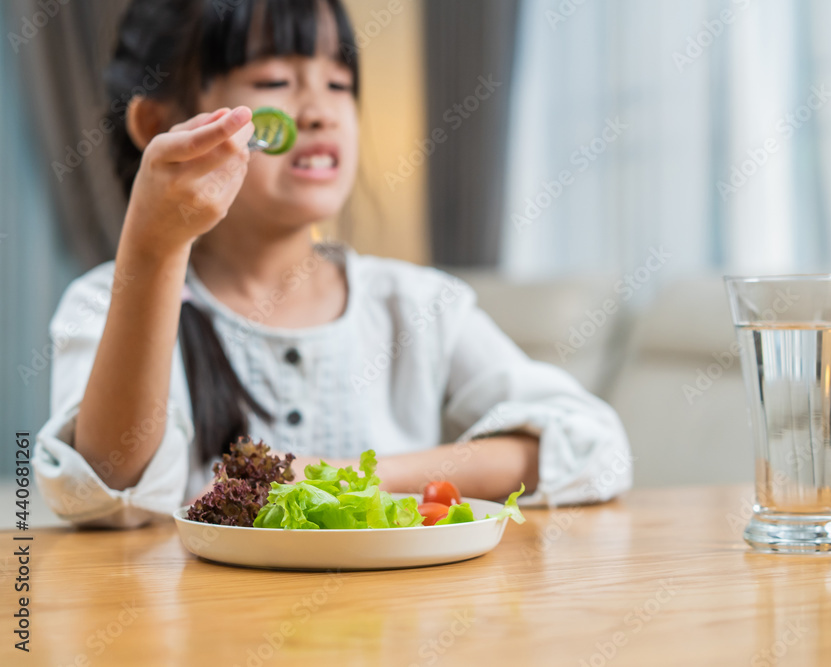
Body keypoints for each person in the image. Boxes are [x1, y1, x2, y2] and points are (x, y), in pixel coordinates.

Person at [32, 0, 632, 528]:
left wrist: (349, 476)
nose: (318, 110)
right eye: (273, 80)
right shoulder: (104, 304)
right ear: (161, 124)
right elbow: (108, 497)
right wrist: (153, 250)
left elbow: (593, 446)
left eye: (340, 83)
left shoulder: (418, 305)